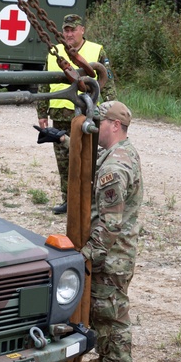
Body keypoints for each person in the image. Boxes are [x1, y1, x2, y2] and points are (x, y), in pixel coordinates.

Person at [38, 101, 143, 362]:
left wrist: (87, 257)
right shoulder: (120, 151)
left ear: (114, 125)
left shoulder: (115, 167)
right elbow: (91, 158)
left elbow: (110, 223)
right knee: (101, 309)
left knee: (110, 313)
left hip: (111, 253)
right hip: (116, 250)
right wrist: (62, 137)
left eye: (99, 123)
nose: (95, 128)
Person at [37, 13, 117, 214]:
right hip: (59, 115)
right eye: (66, 30)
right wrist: (42, 112)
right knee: (64, 161)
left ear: (82, 30)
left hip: (86, 116)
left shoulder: (96, 50)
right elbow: (43, 84)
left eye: (73, 29)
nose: (69, 33)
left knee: (88, 159)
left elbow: (107, 83)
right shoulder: (54, 53)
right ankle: (68, 200)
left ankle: (89, 201)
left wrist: (111, 111)